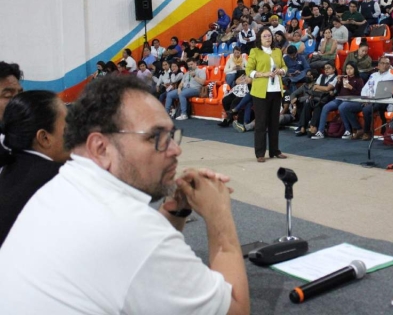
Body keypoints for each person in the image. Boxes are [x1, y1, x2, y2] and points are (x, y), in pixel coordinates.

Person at [0, 76, 250, 314]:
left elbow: (133, 261)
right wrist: (219, 216)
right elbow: (235, 310)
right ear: (100, 147)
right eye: (156, 136)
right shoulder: (131, 229)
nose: (175, 149)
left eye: (171, 135)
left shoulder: (63, 185)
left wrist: (175, 210)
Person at [0, 91, 69, 246]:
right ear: (44, 138)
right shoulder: (58, 180)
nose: (75, 134)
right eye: (67, 127)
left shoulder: (10, 166)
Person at [246, 28, 288, 162]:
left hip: (276, 90)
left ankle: (275, 150)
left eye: (269, 36)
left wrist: (281, 71)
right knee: (261, 123)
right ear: (260, 38)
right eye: (265, 36)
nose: (268, 38)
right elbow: (249, 70)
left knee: (274, 123)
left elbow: (285, 67)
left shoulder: (277, 51)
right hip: (260, 92)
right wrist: (263, 74)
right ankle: (260, 153)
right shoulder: (255, 51)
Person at [338, 58, 393, 140]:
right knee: (344, 107)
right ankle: (358, 128)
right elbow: (364, 89)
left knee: (366, 110)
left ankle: (367, 132)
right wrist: (365, 99)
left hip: (380, 101)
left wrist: (369, 100)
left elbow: (383, 92)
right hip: (366, 99)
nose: (385, 65)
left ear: (389, 65)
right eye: (382, 63)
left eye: (387, 63)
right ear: (378, 65)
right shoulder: (373, 75)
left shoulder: (390, 76)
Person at [311, 62, 363, 140]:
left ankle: (348, 130)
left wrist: (351, 88)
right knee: (325, 107)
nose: (349, 70)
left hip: (351, 100)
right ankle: (320, 131)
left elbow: (360, 93)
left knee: (342, 107)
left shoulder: (358, 79)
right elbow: (337, 91)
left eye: (351, 68)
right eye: (347, 68)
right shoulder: (343, 78)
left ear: (355, 69)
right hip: (340, 98)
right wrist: (338, 83)